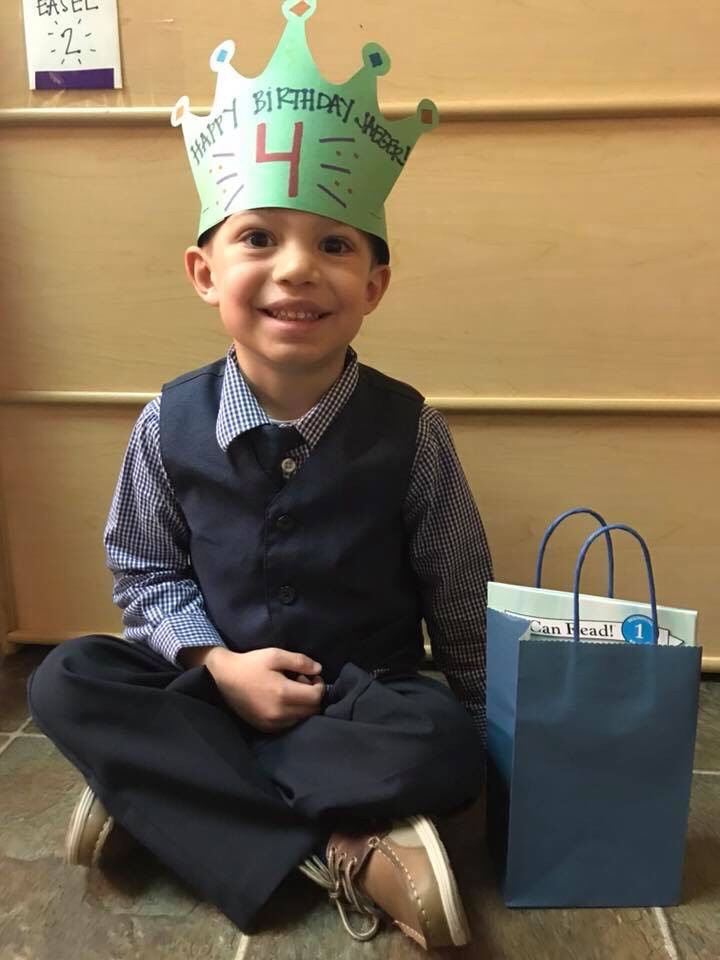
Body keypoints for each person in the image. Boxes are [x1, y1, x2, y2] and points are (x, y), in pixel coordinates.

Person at [27, 1, 492, 949]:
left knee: (447, 742)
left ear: (374, 284)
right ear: (204, 273)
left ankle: (170, 801)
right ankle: (338, 844)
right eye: (259, 238)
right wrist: (218, 667)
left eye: (335, 244)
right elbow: (145, 573)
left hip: (361, 699)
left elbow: (460, 595)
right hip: (211, 688)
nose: (297, 270)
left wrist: (494, 735)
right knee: (67, 679)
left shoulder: (412, 430)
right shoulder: (166, 424)